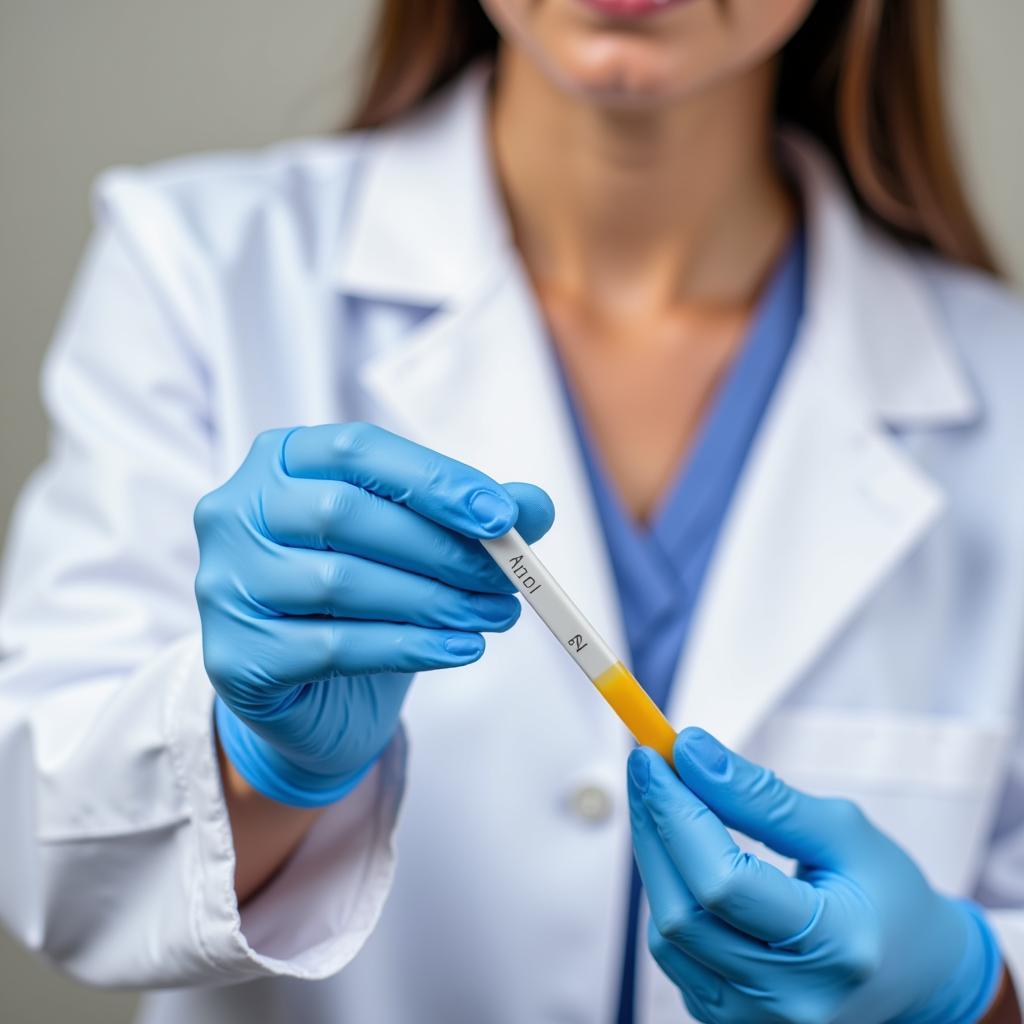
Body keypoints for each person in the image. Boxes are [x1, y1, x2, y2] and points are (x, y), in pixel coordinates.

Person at [1, 0, 1023, 1021]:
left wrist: (979, 988)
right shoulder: (203, 271)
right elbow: (45, 857)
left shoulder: (1001, 389)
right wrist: (256, 761)